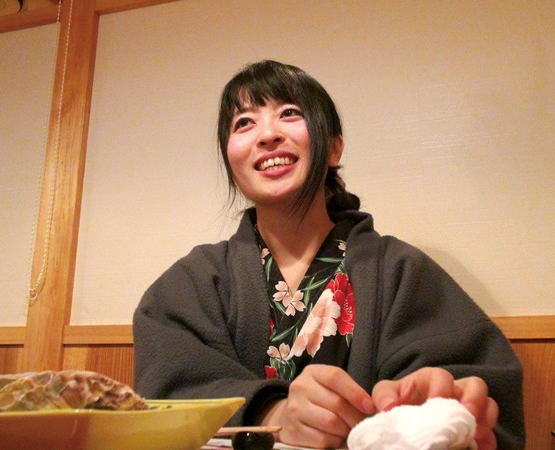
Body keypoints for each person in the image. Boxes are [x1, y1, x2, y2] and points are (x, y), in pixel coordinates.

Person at [133, 60, 525, 449]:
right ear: (231, 161)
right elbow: (164, 395)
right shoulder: (191, 283)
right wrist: (272, 412)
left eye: (289, 113)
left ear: (334, 148)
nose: (267, 135)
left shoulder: (401, 272)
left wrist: (439, 411)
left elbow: (481, 390)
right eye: (244, 123)